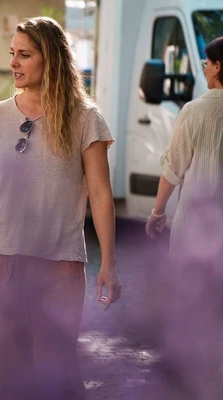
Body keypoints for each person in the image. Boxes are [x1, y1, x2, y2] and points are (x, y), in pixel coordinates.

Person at [0, 17, 121, 399]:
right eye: (13, 53)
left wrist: (108, 262)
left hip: (60, 263)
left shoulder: (85, 118)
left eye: (24, 55)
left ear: (52, 60)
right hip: (1, 261)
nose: (13, 62)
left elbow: (100, 194)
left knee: (55, 372)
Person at [145, 36, 223, 399]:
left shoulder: (194, 111)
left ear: (218, 66)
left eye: (207, 63)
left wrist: (158, 211)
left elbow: (173, 169)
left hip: (198, 230)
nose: (203, 68)